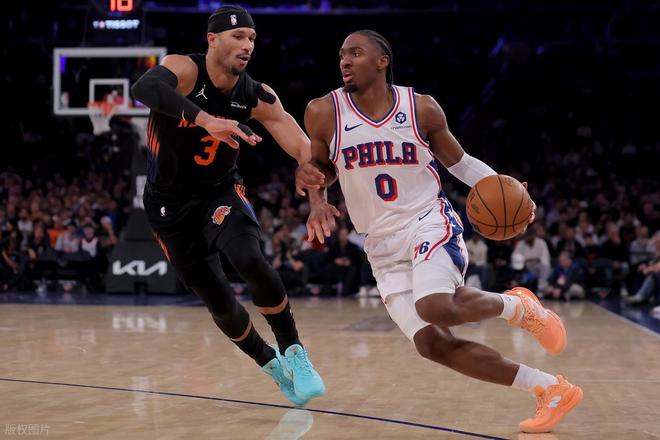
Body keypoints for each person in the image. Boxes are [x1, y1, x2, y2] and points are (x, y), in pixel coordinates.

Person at [296, 30, 582, 433]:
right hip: (379, 242)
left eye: (355, 53)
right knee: (432, 344)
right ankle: (550, 388)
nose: (345, 60)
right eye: (342, 54)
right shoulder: (323, 111)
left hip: (427, 220)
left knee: (434, 306)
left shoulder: (421, 108)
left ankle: (519, 308)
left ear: (382, 61)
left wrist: (510, 190)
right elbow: (321, 168)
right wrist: (316, 197)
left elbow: (460, 164)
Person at [131, 5, 324, 405]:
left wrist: (318, 199)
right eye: (238, 36)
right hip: (167, 205)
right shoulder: (184, 69)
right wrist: (205, 119)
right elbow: (143, 89)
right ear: (212, 39)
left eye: (251, 38)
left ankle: (294, 350)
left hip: (218, 194)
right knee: (216, 297)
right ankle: (270, 363)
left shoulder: (256, 95)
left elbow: (306, 152)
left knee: (248, 257)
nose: (247, 44)